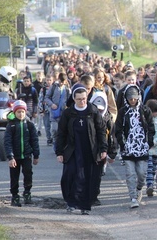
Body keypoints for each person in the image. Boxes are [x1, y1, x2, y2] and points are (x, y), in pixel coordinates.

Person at [56, 84, 109, 215]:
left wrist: (103, 149)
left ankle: (85, 205)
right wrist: (59, 152)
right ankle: (71, 202)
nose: (82, 101)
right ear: (74, 99)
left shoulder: (93, 110)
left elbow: (101, 130)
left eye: (84, 98)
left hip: (90, 149)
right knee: (70, 175)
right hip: (72, 150)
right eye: (79, 99)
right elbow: (61, 133)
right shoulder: (68, 113)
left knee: (88, 178)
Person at [115, 84, 155, 208]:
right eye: (130, 98)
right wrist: (123, 143)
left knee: (142, 174)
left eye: (134, 98)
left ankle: (139, 188)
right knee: (130, 174)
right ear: (126, 98)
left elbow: (151, 127)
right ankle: (132, 197)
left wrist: (149, 143)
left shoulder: (145, 110)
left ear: (138, 97)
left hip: (142, 147)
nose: (132, 100)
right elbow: (118, 129)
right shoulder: (122, 111)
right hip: (128, 148)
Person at [4, 100, 40, 207]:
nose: (21, 114)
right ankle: (15, 196)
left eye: (22, 112)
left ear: (25, 112)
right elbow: (7, 142)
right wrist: (10, 157)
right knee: (14, 177)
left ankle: (27, 192)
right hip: (15, 157)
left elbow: (34, 140)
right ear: (14, 113)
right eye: (18, 112)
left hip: (27, 155)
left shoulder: (29, 125)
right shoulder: (11, 126)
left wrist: (36, 155)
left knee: (28, 174)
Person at [44, 72, 71, 148]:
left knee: (63, 130)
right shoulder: (53, 87)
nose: (61, 83)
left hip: (64, 113)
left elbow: (70, 100)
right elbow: (47, 97)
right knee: (55, 129)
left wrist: (67, 107)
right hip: (54, 112)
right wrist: (51, 104)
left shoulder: (67, 89)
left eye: (63, 81)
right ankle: (55, 143)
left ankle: (62, 145)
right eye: (60, 81)